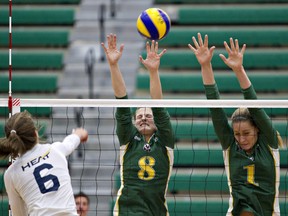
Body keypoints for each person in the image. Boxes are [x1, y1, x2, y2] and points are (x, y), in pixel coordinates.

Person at [188, 33, 283, 216]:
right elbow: (215, 107)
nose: (241, 138)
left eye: (246, 133)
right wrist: (205, 65)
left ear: (257, 129)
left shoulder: (268, 142)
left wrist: (239, 70)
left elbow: (253, 103)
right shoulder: (231, 145)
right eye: (237, 134)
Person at [101, 33, 175, 216]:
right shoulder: (129, 139)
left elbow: (158, 106)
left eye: (148, 115)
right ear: (134, 122)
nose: (143, 118)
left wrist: (153, 71)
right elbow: (122, 102)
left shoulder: (165, 141)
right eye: (139, 116)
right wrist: (113, 65)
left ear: (157, 122)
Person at [1, 110, 88, 216]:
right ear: (35, 133)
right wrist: (79, 133)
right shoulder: (56, 150)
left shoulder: (11, 174)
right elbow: (71, 141)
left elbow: (19, 214)